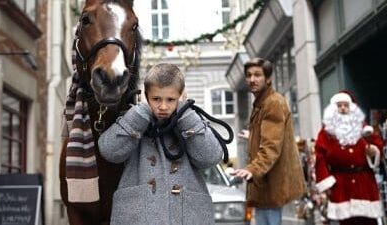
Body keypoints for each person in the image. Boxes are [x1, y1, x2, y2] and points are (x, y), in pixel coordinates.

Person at [98, 63, 223, 225]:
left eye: (171, 99)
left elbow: (211, 157)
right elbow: (109, 151)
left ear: (181, 96)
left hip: (187, 216)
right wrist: (141, 112)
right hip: (138, 216)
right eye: (156, 99)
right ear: (145, 95)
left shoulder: (190, 121)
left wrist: (185, 115)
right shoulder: (134, 119)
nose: (163, 106)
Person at [231, 57, 306, 225]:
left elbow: (271, 146)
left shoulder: (273, 103)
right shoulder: (263, 102)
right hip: (265, 184)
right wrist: (253, 136)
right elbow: (273, 135)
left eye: (257, 75)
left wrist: (253, 168)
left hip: (271, 184)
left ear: (268, 78)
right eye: (249, 75)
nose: (252, 79)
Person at [314, 91, 384, 225]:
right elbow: (320, 157)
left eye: (346, 105)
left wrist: (373, 151)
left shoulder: (363, 127)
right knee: (347, 221)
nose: (343, 108)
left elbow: (377, 144)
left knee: (368, 220)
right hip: (341, 184)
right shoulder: (326, 133)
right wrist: (327, 183)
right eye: (339, 105)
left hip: (364, 182)